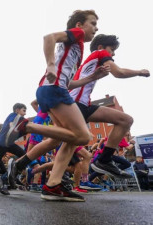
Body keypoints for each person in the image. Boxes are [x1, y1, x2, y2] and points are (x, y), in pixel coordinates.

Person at [8, 10, 101, 202]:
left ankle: (53, 185)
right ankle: (26, 126)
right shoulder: (78, 35)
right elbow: (49, 37)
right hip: (54, 89)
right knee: (83, 136)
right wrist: (50, 64)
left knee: (66, 139)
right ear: (79, 25)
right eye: (92, 23)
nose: (95, 28)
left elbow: (69, 82)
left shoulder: (75, 50)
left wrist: (92, 77)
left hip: (52, 89)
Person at [67, 34, 150, 178]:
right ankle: (24, 160)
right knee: (63, 143)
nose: (113, 54)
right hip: (75, 104)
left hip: (84, 105)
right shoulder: (100, 53)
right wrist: (140, 72)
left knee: (125, 120)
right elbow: (118, 72)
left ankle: (104, 160)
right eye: (112, 49)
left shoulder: (92, 61)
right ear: (101, 48)